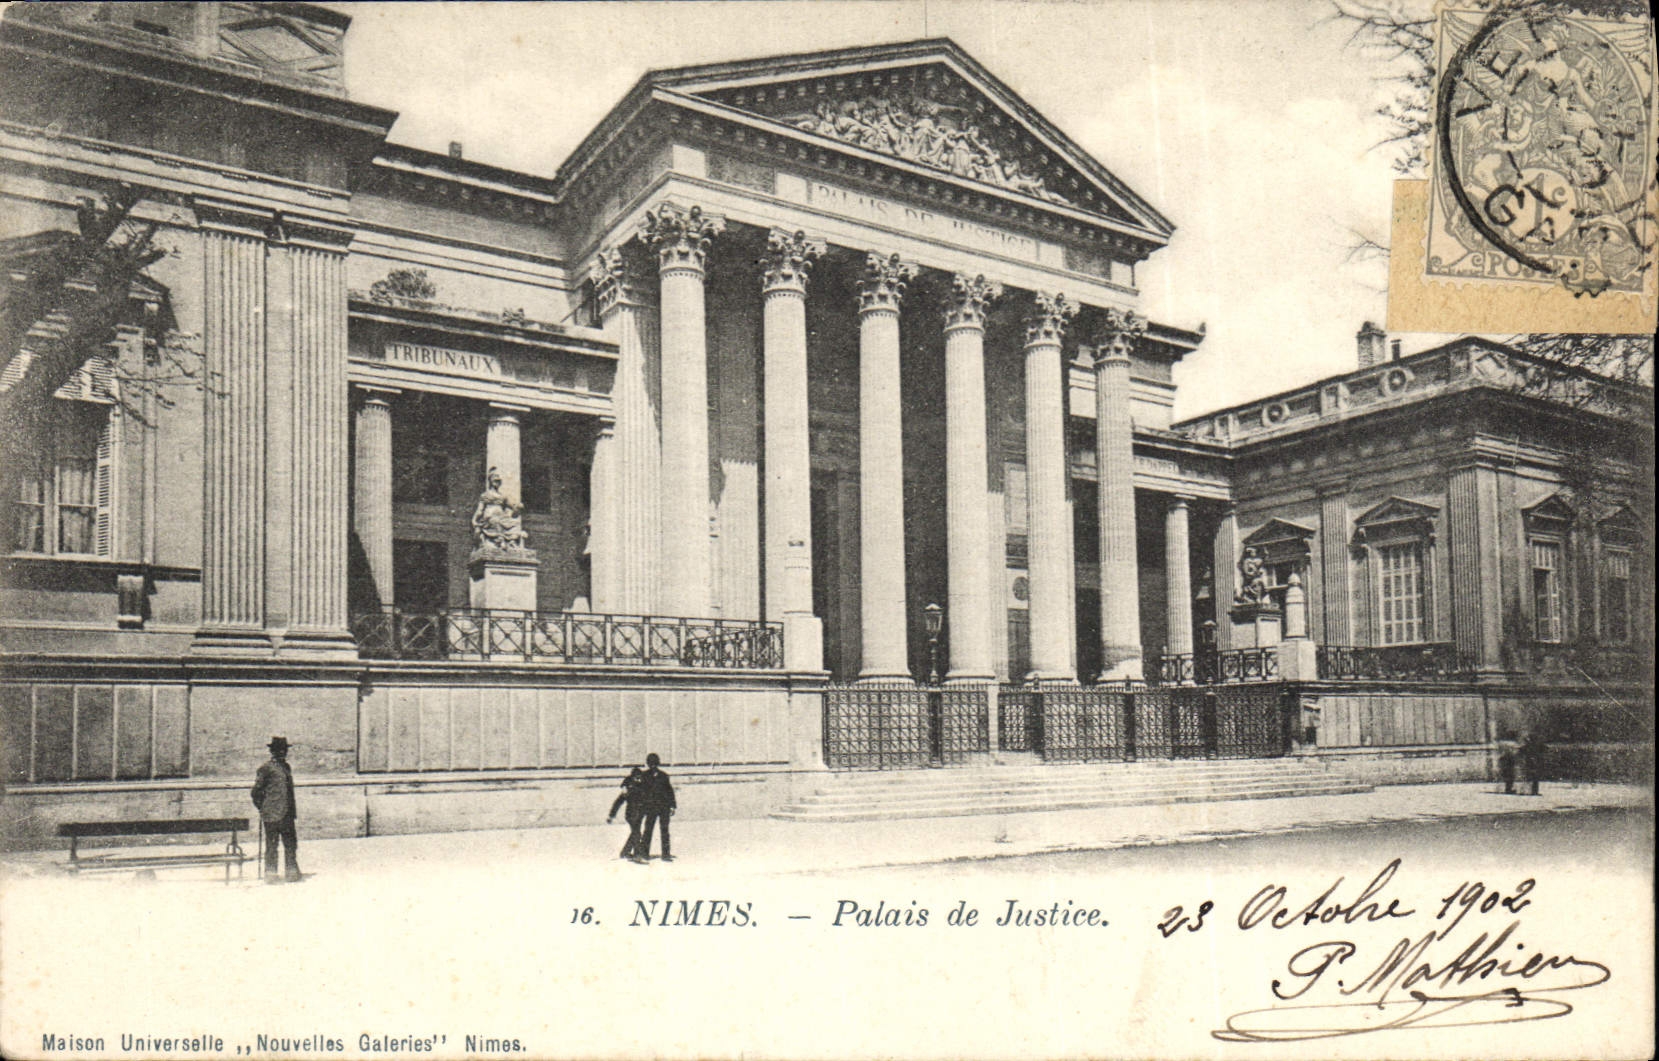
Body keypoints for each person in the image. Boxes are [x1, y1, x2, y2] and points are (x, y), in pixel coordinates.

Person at [251, 736, 301, 883]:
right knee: (272, 844)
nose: (282, 753)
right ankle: (270, 872)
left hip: (288, 813)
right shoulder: (265, 768)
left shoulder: (287, 767)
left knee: (291, 843)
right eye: (278, 750)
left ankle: (291, 871)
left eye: (284, 750)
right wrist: (264, 807)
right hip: (271, 814)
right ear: (272, 751)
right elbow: (255, 792)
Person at [633, 752, 676, 863]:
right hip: (651, 807)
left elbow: (669, 791)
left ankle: (665, 854)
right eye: (651, 764)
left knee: (664, 831)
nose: (653, 766)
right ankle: (644, 853)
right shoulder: (644, 776)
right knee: (648, 830)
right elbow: (640, 792)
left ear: (658, 764)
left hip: (664, 807)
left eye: (654, 764)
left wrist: (672, 806)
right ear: (648, 764)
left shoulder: (664, 776)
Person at [607, 764, 647, 860]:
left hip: (639, 814)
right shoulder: (628, 789)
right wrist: (611, 815)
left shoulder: (642, 786)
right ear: (633, 777)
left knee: (635, 833)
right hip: (631, 814)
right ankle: (637, 855)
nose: (638, 779)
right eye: (636, 778)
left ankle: (625, 852)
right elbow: (618, 802)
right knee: (637, 833)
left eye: (639, 777)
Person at [1521, 730, 1548, 796]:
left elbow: (1521, 751)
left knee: (1529, 777)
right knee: (1535, 778)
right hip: (1536, 763)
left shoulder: (1528, 745)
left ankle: (1528, 791)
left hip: (1529, 763)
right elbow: (1545, 749)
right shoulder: (1537, 745)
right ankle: (1534, 791)